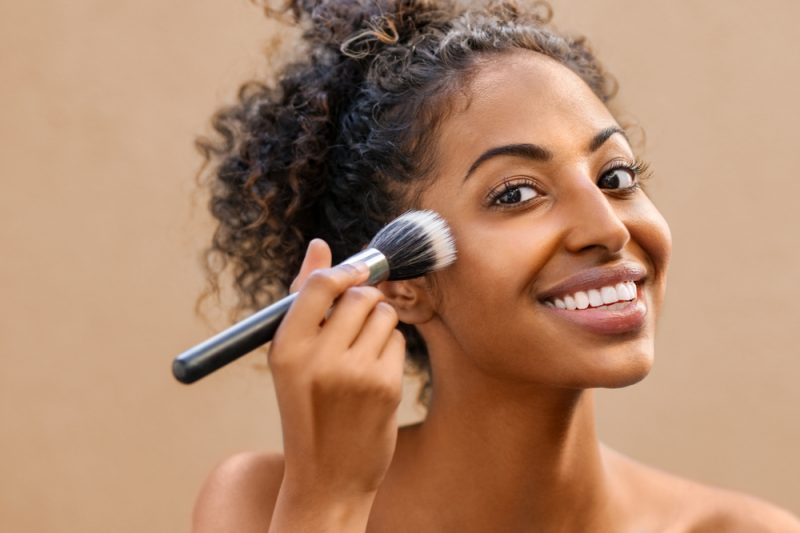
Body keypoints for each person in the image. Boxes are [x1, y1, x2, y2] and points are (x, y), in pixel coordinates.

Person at [190, 0, 800, 531]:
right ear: (403, 283)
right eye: (515, 193)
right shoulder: (262, 506)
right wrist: (328, 502)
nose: (609, 228)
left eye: (614, 177)